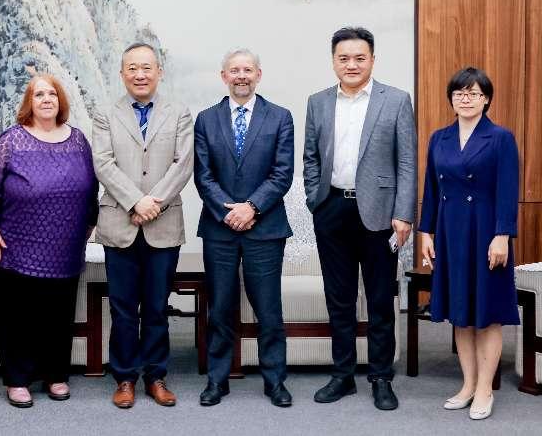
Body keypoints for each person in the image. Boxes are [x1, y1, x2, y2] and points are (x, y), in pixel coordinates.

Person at [303, 27, 417, 411]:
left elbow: (407, 161)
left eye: (359, 58)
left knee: (381, 300)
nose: (351, 64)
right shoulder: (318, 102)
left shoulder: (396, 100)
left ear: (372, 60)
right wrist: (316, 200)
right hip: (332, 209)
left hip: (380, 214)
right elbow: (311, 157)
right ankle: (343, 375)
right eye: (344, 58)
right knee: (339, 299)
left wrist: (404, 214)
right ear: (334, 61)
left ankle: (381, 378)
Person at [0, 74, 98, 408]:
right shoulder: (11, 140)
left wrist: (89, 223)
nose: (46, 99)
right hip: (14, 245)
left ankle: (55, 375)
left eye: (52, 94)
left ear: (61, 101)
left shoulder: (78, 140)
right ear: (29, 102)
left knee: (58, 314)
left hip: (65, 246)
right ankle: (17, 380)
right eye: (39, 94)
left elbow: (92, 187)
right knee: (17, 316)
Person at [92, 42, 194, 408]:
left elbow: (183, 164)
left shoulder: (179, 113)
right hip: (119, 224)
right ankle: (124, 378)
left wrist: (153, 203)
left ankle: (156, 376)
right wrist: (136, 201)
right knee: (122, 309)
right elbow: (103, 163)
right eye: (132, 68)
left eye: (146, 67)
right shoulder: (105, 113)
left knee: (156, 308)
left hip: (163, 225)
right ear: (122, 74)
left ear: (159, 72)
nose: (140, 74)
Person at [193, 49, 294, 407]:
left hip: (264, 228)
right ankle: (217, 381)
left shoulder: (280, 117)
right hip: (219, 230)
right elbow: (203, 175)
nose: (241, 76)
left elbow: (282, 173)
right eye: (234, 70)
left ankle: (275, 381)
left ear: (258, 75)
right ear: (223, 76)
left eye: (247, 70)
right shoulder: (206, 120)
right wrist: (229, 212)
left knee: (269, 311)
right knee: (220, 308)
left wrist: (251, 208)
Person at [418, 67, 519, 421]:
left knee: (487, 314)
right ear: (451, 98)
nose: (466, 99)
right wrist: (426, 232)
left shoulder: (500, 138)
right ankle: (468, 384)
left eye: (474, 93)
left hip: (487, 231)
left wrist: (502, 235)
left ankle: (486, 389)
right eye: (459, 93)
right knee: (460, 313)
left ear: (486, 99)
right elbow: (432, 189)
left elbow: (508, 190)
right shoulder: (439, 138)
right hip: (450, 231)